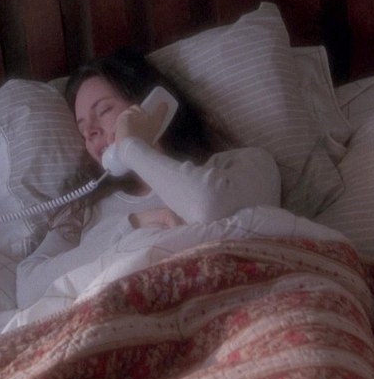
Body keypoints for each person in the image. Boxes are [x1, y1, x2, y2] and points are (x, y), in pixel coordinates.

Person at [15, 49, 281, 309]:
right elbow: (27, 289)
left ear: (153, 104)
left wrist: (132, 148)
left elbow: (208, 206)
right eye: (82, 128)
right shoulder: (83, 210)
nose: (91, 131)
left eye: (104, 110)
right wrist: (135, 223)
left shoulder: (243, 164)